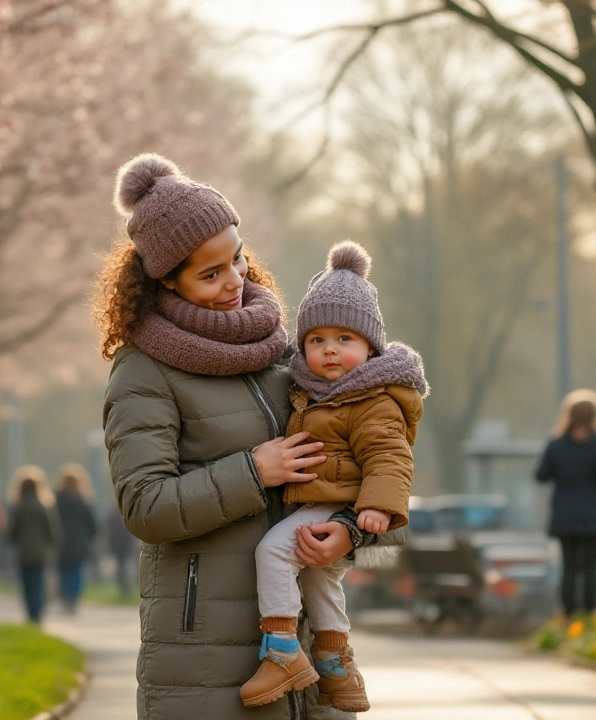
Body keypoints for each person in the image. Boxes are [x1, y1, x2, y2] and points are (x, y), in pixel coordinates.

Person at [96, 153, 385, 720]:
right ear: (166, 281)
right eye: (210, 274)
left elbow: (351, 461)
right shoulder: (143, 370)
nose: (234, 282)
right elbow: (144, 506)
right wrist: (254, 472)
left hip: (302, 653)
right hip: (203, 661)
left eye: (236, 258)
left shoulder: (285, 351)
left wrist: (351, 530)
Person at [242, 241, 427, 712]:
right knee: (321, 582)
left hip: (340, 505)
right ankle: (337, 667)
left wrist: (375, 508)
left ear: (370, 347)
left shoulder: (371, 399)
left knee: (273, 552)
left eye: (345, 340)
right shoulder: (313, 392)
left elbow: (390, 456)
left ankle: (282, 650)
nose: (329, 351)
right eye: (317, 339)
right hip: (320, 505)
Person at [535, 389, 596, 618]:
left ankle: (570, 616)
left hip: (565, 517)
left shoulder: (556, 444)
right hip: (594, 517)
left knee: (569, 568)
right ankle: (589, 615)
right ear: (595, 416)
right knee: (591, 568)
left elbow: (541, 475)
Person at [7, 465, 60, 624]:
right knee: (38, 583)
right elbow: (51, 530)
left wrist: (13, 541)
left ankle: (30, 613)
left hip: (23, 553)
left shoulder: (18, 507)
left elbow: (12, 531)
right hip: (40, 553)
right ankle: (38, 613)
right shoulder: (43, 506)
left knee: (26, 584)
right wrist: (53, 544)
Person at [54, 463, 97, 615]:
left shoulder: (55, 501)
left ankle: (66, 596)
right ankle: (73, 598)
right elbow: (92, 525)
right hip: (79, 543)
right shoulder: (83, 502)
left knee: (63, 571)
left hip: (60, 542)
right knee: (76, 571)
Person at [104, 505, 136, 598]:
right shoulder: (125, 515)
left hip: (118, 545)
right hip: (123, 545)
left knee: (122, 567)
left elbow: (108, 532)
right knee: (123, 567)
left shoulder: (113, 517)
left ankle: (124, 588)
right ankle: (125, 588)